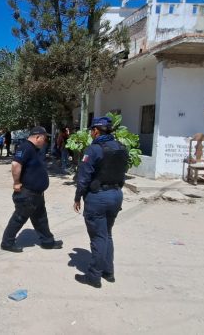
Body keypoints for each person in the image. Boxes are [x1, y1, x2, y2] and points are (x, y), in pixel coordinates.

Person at [73, 117, 129, 288]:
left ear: (96, 131)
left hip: (98, 197)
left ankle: (94, 276)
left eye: (92, 130)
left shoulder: (94, 149)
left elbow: (83, 177)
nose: (91, 133)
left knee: (99, 236)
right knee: (107, 234)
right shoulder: (121, 147)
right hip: (116, 194)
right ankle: (108, 272)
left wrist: (77, 197)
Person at [0, 126, 63, 253]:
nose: (45, 141)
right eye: (44, 139)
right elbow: (15, 164)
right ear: (37, 137)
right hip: (27, 193)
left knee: (41, 218)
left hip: (37, 193)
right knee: (19, 218)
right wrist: (16, 182)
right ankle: (7, 243)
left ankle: (47, 241)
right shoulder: (25, 147)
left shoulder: (34, 149)